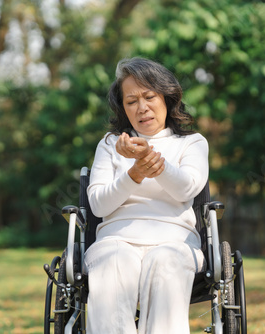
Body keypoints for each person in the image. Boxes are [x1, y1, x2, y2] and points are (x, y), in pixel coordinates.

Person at [85, 57, 209, 334]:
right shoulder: (109, 145)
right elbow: (97, 204)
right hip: (115, 240)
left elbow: (188, 188)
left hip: (175, 241)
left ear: (167, 97)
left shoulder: (192, 143)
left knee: (165, 259)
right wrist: (134, 175)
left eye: (149, 97)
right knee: (114, 258)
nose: (142, 108)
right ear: (123, 108)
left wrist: (152, 161)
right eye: (131, 101)